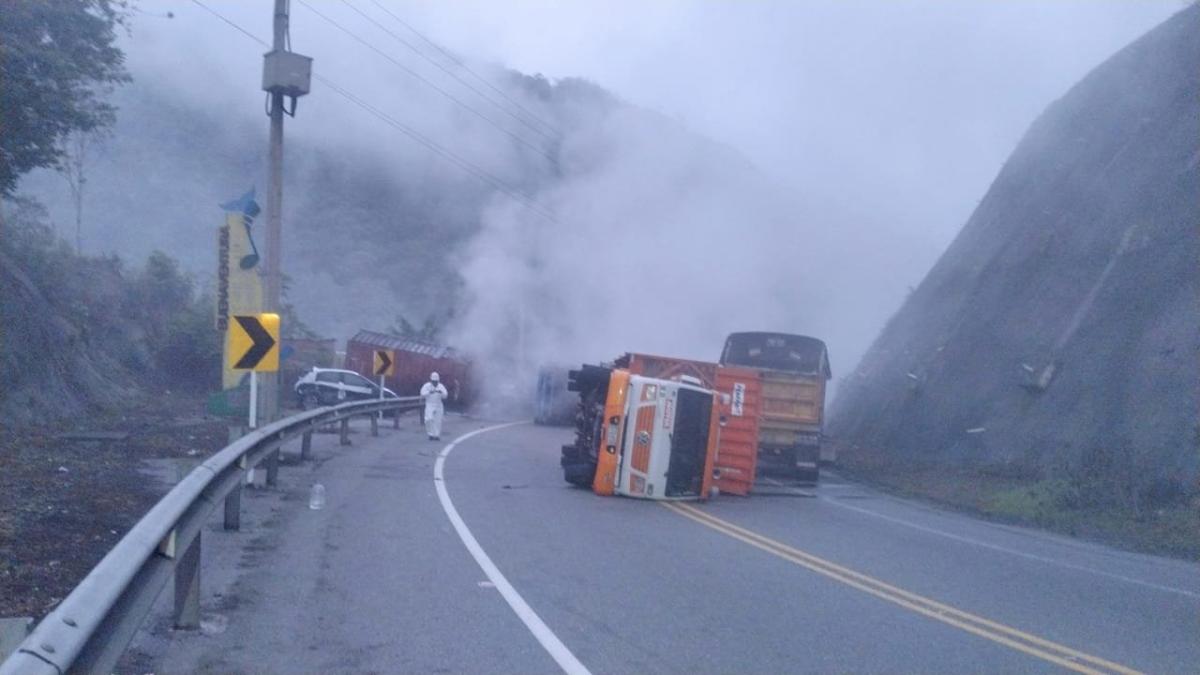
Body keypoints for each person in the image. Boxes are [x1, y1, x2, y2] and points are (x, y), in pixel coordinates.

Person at [419, 372, 449, 440]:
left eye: (436, 381)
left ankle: (436, 435)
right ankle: (430, 434)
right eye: (433, 381)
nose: (435, 383)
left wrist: (441, 392)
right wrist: (429, 392)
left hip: (438, 404)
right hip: (430, 404)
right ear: (431, 380)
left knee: (438, 420)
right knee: (428, 419)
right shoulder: (426, 386)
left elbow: (446, 395)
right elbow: (422, 394)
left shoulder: (441, 386)